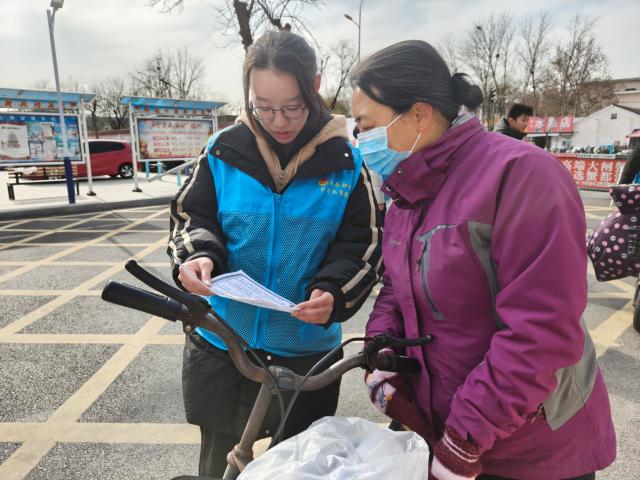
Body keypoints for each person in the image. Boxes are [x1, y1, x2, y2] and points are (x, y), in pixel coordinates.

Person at [352, 40, 616, 480]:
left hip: (532, 448)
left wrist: (466, 437)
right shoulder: (407, 193)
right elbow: (397, 288)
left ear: (418, 115)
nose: (361, 140)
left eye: (367, 126)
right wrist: (382, 352)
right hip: (446, 431)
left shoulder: (521, 174)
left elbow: (541, 327)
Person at [168, 31, 383, 478]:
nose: (278, 121)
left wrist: (333, 292)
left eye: (292, 107)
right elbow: (192, 216)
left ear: (315, 86)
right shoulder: (222, 151)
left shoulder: (347, 163)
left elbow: (362, 243)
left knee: (298, 468)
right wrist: (199, 256)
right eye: (262, 107)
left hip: (306, 355)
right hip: (225, 342)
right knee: (220, 465)